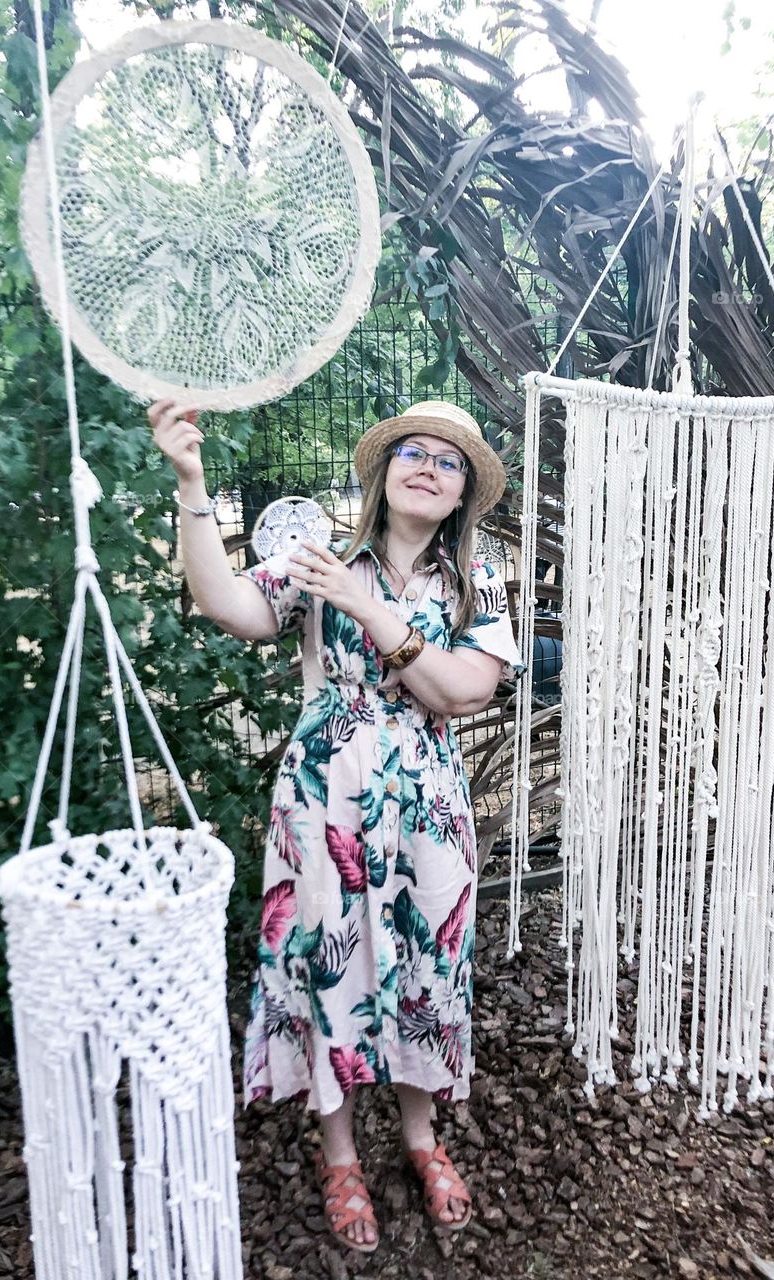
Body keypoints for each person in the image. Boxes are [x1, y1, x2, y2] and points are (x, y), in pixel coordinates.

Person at [149, 397, 526, 1254]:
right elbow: (233, 608)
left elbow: (465, 691)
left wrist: (366, 610)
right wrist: (192, 484)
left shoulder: (479, 582)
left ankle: (424, 1141)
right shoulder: (319, 558)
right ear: (384, 470)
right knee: (329, 961)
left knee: (428, 963)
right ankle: (341, 1154)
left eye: (450, 460)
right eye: (413, 452)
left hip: (429, 805)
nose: (428, 467)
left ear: (463, 491)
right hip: (325, 797)